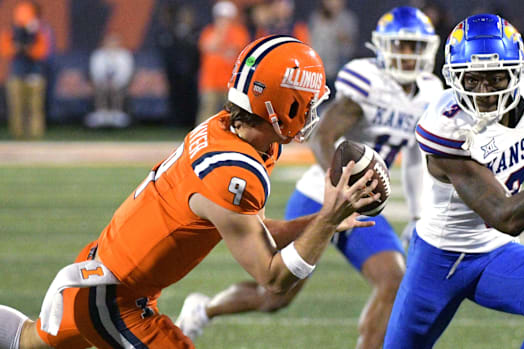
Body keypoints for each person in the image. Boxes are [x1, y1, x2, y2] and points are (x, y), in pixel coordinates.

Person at [0, 35, 379, 349]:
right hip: (115, 298)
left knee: (26, 341)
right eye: (308, 101)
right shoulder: (234, 172)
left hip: (106, 272)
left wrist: (320, 222)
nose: (314, 110)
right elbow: (274, 278)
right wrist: (328, 219)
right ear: (285, 104)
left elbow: (254, 232)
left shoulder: (231, 131)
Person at [175, 7, 444, 349]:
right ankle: (204, 308)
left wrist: (419, 213)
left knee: (393, 280)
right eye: (401, 45)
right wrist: (340, 190)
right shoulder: (369, 81)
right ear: (383, 46)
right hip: (320, 196)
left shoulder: (431, 91)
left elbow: (416, 157)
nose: (407, 55)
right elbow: (324, 137)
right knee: (275, 295)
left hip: (356, 202)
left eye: (415, 47)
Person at [383, 14, 524, 349]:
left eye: (493, 79)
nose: (482, 92)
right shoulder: (445, 127)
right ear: (453, 78)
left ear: (515, 73)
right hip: (439, 259)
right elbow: (506, 216)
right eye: (470, 80)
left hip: (494, 253)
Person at [0, 0, 52, 139]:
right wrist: (17, 47)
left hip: (35, 73)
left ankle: (35, 135)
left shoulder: (40, 31)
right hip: (16, 73)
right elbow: (5, 51)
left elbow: (41, 52)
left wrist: (29, 43)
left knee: (35, 107)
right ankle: (18, 135)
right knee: (16, 107)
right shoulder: (11, 31)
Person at [196, 1, 250, 125]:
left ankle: (233, 139)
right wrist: (221, 35)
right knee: (206, 113)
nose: (223, 21)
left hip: (231, 82)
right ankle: (202, 139)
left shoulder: (239, 32)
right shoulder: (209, 31)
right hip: (210, 81)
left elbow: (234, 52)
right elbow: (208, 46)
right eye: (220, 17)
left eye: (226, 18)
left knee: (234, 113)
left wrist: (222, 46)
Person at [85, 33, 135, 129]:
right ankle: (101, 113)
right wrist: (103, 82)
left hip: (120, 84)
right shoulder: (98, 55)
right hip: (101, 83)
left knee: (116, 90)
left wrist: (117, 82)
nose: (111, 44)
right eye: (109, 42)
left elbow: (126, 72)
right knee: (100, 89)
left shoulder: (125, 55)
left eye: (114, 42)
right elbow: (95, 71)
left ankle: (117, 113)